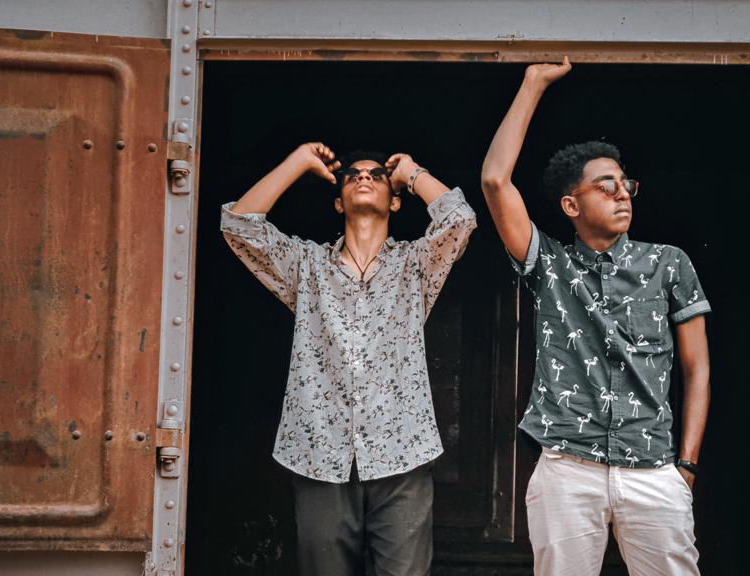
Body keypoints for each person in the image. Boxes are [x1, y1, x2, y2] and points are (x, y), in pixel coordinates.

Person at [480, 59, 711, 575]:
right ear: (571, 205)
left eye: (626, 183)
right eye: (605, 186)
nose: (622, 193)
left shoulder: (668, 263)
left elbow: (698, 369)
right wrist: (533, 83)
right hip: (567, 467)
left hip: (652, 468)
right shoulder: (549, 265)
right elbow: (495, 181)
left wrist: (686, 467)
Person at [221, 142, 477, 575]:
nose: (364, 177)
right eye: (353, 175)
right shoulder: (307, 266)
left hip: (402, 456)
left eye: (377, 175)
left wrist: (411, 172)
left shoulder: (416, 264)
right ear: (338, 201)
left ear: (395, 201)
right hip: (319, 455)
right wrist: (298, 161)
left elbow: (460, 219)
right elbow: (239, 225)